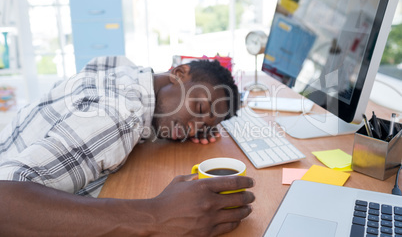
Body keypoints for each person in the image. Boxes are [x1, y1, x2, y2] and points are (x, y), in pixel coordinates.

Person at [0, 56, 255, 236]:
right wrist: (156, 216)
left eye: (203, 127)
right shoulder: (117, 118)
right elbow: (6, 202)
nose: (193, 128)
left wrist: (182, 122)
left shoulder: (127, 71)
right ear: (178, 73)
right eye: (199, 108)